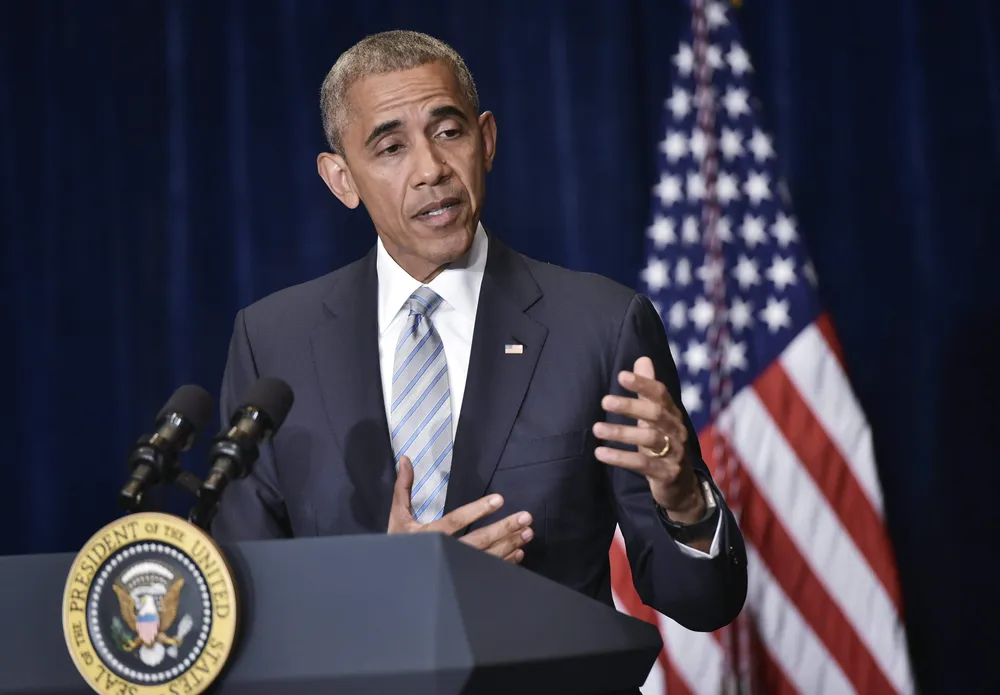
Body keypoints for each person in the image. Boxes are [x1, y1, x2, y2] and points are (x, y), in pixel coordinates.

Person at [212, 29, 747, 634]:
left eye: (448, 132)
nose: (431, 170)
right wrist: (379, 586)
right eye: (390, 148)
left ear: (486, 141)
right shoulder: (274, 341)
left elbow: (703, 602)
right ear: (342, 180)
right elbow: (240, 599)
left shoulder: (599, 325)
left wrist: (684, 502)